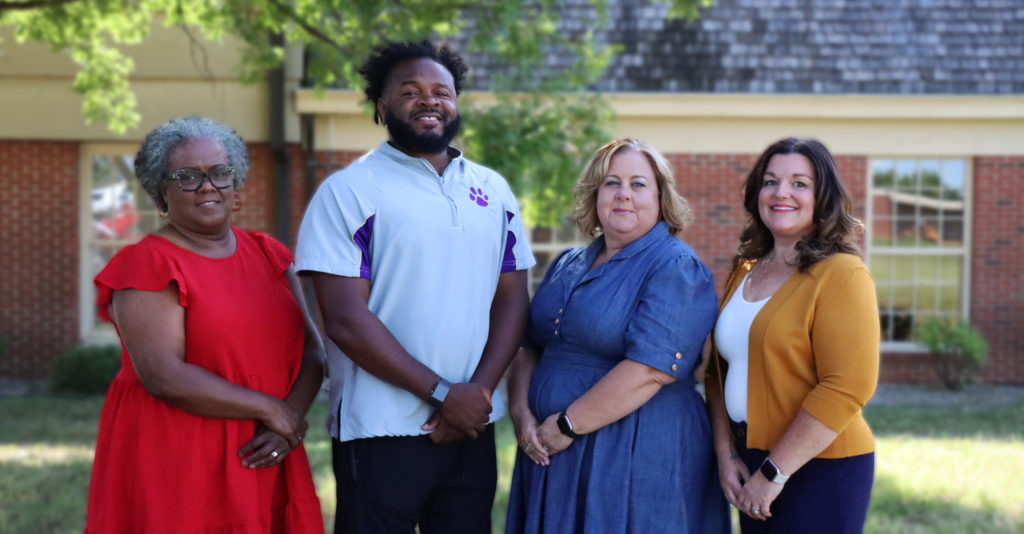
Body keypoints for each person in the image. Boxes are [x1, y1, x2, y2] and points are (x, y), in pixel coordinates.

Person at [294, 41, 534, 534]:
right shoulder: (348, 191)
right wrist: (444, 393)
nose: (429, 101)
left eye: (441, 91)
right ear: (382, 107)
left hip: (472, 423)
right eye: (410, 91)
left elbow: (511, 299)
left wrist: (478, 394)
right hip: (380, 425)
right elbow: (344, 320)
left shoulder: (493, 190)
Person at [84, 116, 326, 533]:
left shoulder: (269, 254)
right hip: (179, 452)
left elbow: (313, 352)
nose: (208, 185)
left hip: (266, 447)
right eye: (188, 177)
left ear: (235, 186)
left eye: (219, 173)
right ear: (162, 194)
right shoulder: (148, 264)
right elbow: (164, 375)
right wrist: (272, 410)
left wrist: (287, 427)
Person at [504, 138, 729, 534]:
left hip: (634, 447)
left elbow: (649, 370)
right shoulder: (568, 262)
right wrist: (522, 415)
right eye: (611, 183)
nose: (624, 194)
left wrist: (567, 425)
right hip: (547, 446)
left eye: (638, 184)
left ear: (661, 198)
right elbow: (530, 346)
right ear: (595, 195)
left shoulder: (676, 267)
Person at [705, 137, 880, 533]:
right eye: (771, 181)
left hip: (821, 469)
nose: (782, 193)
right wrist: (725, 453)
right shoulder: (746, 268)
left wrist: (773, 473)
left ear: (823, 197)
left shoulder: (842, 274)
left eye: (799, 183)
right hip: (749, 461)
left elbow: (847, 386)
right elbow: (716, 371)